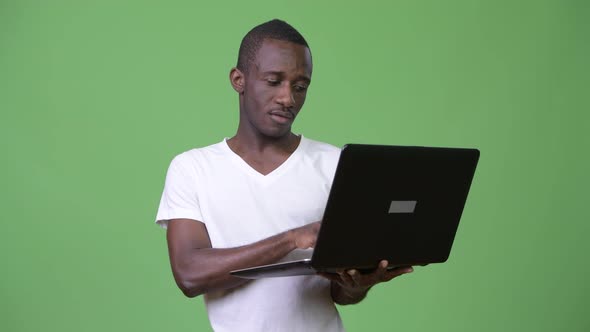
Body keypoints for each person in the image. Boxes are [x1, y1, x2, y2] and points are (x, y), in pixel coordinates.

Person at [156, 19, 414, 332]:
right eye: (274, 81)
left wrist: (357, 285)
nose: (288, 98)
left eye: (300, 86)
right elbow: (190, 274)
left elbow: (339, 293)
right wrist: (291, 239)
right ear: (239, 79)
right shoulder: (193, 168)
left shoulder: (335, 164)